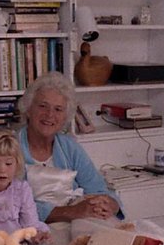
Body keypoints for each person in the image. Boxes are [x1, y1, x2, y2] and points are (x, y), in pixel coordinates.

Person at [15, 72, 121, 224]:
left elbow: (98, 189)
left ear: (65, 117)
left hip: (77, 222)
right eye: (43, 106)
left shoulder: (69, 146)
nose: (50, 115)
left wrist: (110, 204)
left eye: (58, 109)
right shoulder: (8, 147)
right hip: (33, 229)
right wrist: (70, 212)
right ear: (28, 109)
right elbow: (9, 205)